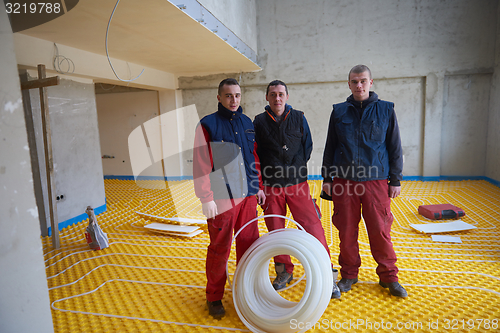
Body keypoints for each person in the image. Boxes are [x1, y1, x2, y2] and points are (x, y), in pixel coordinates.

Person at [321, 65, 407, 298]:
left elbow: (395, 147)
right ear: (348, 84)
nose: (359, 85)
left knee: (380, 230)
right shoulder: (338, 112)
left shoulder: (386, 110)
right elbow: (330, 146)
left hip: (376, 181)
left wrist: (395, 180)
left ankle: (389, 277)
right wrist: (326, 178)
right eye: (354, 81)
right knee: (346, 230)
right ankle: (349, 274)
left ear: (371, 82)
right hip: (344, 180)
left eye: (363, 81)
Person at [253, 80, 341, 299]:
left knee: (312, 226)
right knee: (276, 230)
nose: (277, 98)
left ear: (287, 97)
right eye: (272, 94)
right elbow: (256, 153)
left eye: (281, 94)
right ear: (267, 98)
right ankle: (283, 272)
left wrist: (294, 169)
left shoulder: (299, 118)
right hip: (272, 186)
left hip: (297, 184)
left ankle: (326, 271)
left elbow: (307, 147)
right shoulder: (259, 122)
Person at [193, 78, 266, 319]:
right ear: (219, 98)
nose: (233, 100)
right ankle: (214, 296)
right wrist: (206, 198)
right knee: (220, 249)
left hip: (247, 196)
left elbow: (253, 158)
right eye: (228, 96)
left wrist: (259, 187)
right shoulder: (208, 125)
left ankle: (245, 290)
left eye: (236, 95)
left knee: (248, 246)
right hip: (223, 198)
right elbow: (202, 164)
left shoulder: (247, 123)